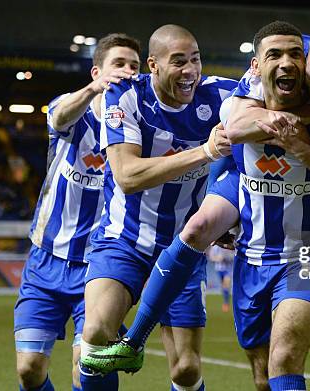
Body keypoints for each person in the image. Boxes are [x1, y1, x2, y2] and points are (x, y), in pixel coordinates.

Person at [87, 21, 310, 391]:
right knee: (199, 231)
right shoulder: (282, 60)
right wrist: (305, 117)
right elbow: (232, 131)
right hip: (250, 194)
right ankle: (133, 341)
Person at [78, 24, 237, 391]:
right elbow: (127, 176)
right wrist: (204, 152)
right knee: (96, 335)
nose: (190, 70)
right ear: (153, 65)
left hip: (182, 248)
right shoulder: (125, 97)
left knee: (185, 369)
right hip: (124, 240)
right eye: (178, 61)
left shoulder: (221, 96)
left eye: (195, 60)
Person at [13, 33, 141, 391]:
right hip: (46, 260)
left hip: (99, 267)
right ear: (97, 70)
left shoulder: (137, 129)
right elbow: (58, 115)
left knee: (88, 365)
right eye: (119, 63)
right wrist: (93, 90)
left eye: (134, 65)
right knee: (29, 369)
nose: (127, 71)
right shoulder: (73, 114)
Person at [206, 245, 234, 312]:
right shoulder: (215, 247)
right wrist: (218, 259)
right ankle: (226, 300)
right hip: (219, 269)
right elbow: (211, 257)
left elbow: (234, 255)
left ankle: (226, 304)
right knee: (223, 287)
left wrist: (227, 257)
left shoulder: (229, 245)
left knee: (226, 286)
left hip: (228, 269)